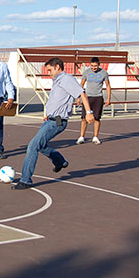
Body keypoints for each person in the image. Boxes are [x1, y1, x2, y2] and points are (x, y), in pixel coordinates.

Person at [13, 57, 94, 190]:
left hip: (57, 121)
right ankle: (60, 161)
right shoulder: (58, 81)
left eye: (50, 70)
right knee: (41, 145)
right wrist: (49, 114)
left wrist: (89, 112)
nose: (48, 73)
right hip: (51, 119)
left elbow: (82, 93)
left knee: (33, 146)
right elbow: (58, 100)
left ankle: (25, 180)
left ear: (58, 67)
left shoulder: (67, 79)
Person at [76, 57, 111, 145]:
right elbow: (81, 85)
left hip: (98, 97)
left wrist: (108, 98)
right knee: (84, 118)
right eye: (92, 66)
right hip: (87, 98)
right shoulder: (86, 72)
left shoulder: (104, 73)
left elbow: (107, 86)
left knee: (97, 118)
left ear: (99, 65)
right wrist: (78, 97)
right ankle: (81, 137)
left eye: (95, 66)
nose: (93, 68)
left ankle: (95, 137)